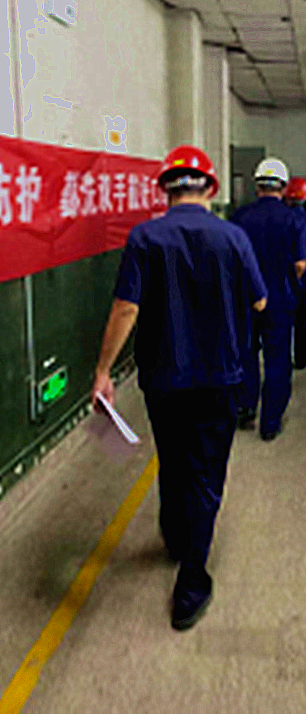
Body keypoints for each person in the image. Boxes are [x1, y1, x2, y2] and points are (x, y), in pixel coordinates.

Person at [92, 146, 268, 631]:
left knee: (171, 458)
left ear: (165, 190)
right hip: (219, 376)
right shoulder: (233, 237)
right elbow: (260, 302)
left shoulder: (144, 237)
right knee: (206, 473)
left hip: (164, 378)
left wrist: (103, 370)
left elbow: (126, 308)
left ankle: (174, 535)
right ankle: (191, 583)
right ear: (210, 188)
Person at [230, 158, 306, 440]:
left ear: (257, 186)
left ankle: (245, 407)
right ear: (284, 187)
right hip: (280, 301)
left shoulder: (239, 217)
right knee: (277, 360)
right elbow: (301, 264)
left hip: (246, 301)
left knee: (246, 354)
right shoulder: (294, 220)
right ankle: (270, 423)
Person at [284, 176, 306, 370]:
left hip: (281, 282)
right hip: (304, 283)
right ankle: (302, 357)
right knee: (303, 322)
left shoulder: (281, 220)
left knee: (282, 323)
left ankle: (283, 356)